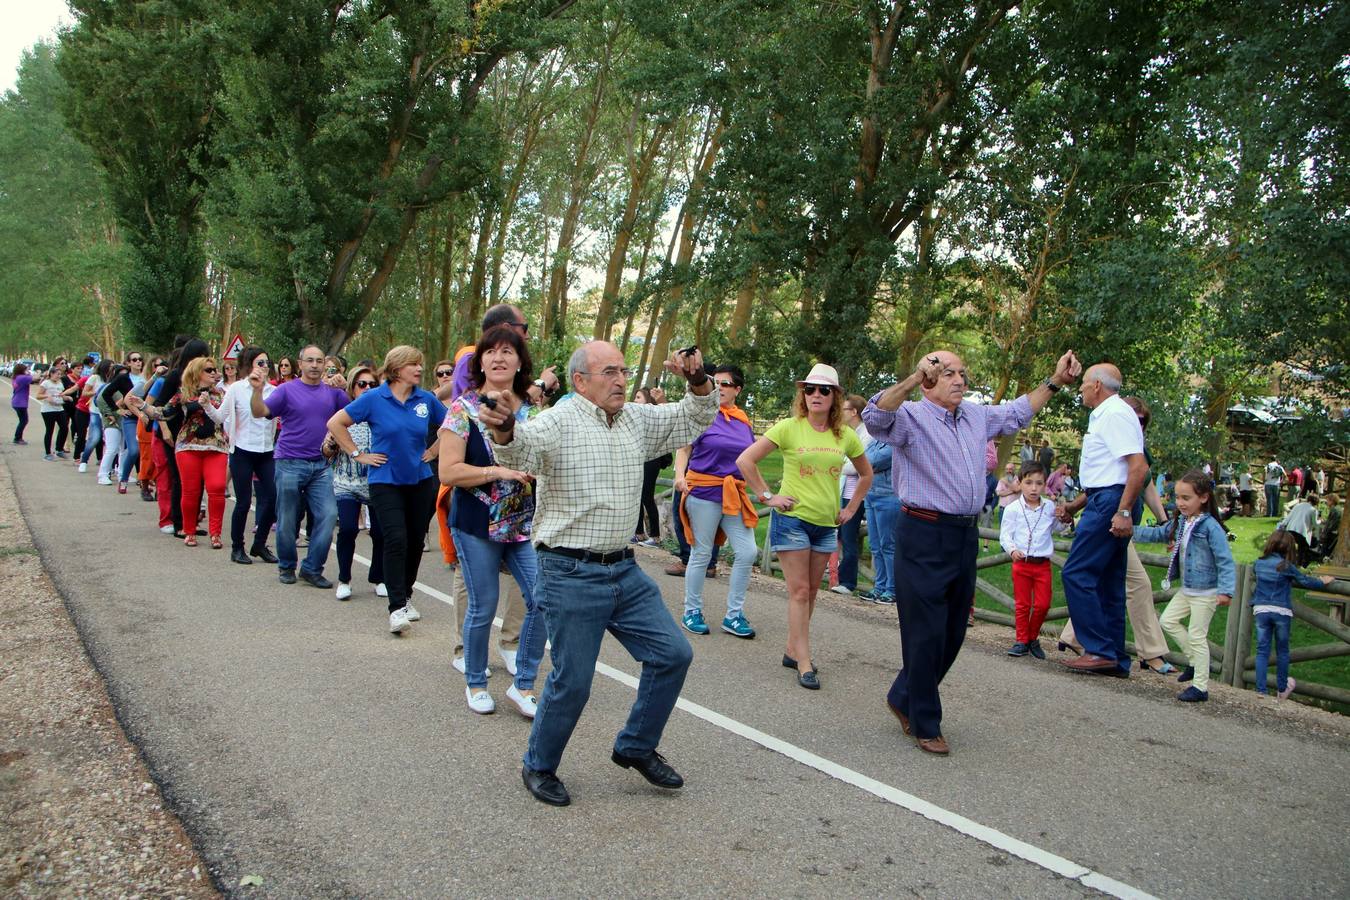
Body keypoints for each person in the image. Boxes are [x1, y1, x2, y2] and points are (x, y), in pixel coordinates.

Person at [478, 341, 715, 807]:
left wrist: (697, 379)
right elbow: (519, 451)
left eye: (624, 371)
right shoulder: (557, 422)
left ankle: (635, 747)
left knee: (672, 655)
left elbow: (695, 416)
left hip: (623, 569)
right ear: (580, 381)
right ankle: (539, 765)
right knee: (574, 681)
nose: (622, 380)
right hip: (567, 571)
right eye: (610, 372)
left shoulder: (636, 420)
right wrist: (505, 430)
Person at [863, 349, 1080, 755]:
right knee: (924, 632)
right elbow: (874, 417)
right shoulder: (910, 415)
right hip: (922, 532)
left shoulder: (977, 415)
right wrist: (913, 379)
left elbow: (1017, 413)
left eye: (962, 373)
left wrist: (1054, 382)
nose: (959, 380)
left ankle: (903, 694)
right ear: (930, 379)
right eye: (948, 373)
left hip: (962, 535)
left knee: (953, 632)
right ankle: (925, 721)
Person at [737, 365, 871, 690]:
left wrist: (851, 509)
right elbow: (745, 461)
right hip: (793, 520)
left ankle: (791, 649)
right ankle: (804, 661)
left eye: (823, 390)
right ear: (803, 395)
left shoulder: (845, 435)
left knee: (811, 592)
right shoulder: (788, 428)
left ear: (835, 396)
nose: (815, 395)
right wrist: (768, 496)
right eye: (810, 389)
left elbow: (866, 475)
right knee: (798, 592)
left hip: (826, 524)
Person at [438, 326, 545, 716]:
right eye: (491, 351)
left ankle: (524, 684)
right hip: (476, 524)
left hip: (524, 525)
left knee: (543, 600)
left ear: (520, 362)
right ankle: (476, 682)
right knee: (483, 606)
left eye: (508, 351)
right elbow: (448, 472)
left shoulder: (535, 415)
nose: (499, 357)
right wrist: (497, 472)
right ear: (480, 361)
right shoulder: (461, 409)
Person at [328, 345, 446, 634]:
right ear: (396, 369)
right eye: (413, 365)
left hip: (420, 480)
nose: (419, 369)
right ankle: (395, 608)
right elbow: (336, 423)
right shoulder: (373, 398)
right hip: (384, 481)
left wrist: (433, 450)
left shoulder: (426, 400)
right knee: (396, 538)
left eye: (420, 364)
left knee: (416, 540)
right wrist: (358, 454)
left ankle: (405, 596)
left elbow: (454, 424)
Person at [1057, 396, 1174, 675]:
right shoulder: (1119, 436)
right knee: (1109, 580)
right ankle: (1112, 655)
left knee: (1081, 573)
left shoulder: (1136, 449)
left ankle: (1099, 649)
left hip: (1115, 512)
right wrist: (1074, 505)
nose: (1138, 424)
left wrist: (1160, 520)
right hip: (1115, 510)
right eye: (1135, 418)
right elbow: (1105, 480)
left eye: (1143, 421)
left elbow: (1140, 481)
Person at [250, 345, 349, 587]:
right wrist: (257, 390)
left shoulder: (334, 393)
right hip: (289, 462)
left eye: (319, 361)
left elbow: (355, 413)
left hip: (322, 464)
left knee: (328, 515)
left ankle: (312, 568)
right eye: (310, 361)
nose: (315, 365)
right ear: (301, 363)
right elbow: (261, 412)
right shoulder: (286, 390)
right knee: (287, 517)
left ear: (325, 364)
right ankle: (286, 566)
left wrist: (345, 387)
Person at [1133, 470, 1236, 702]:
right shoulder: (1183, 522)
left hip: (1206, 592)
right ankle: (1194, 660)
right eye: (1177, 498)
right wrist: (1131, 531)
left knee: (1197, 635)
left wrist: (1226, 590)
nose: (1180, 503)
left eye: (1186, 498)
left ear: (1203, 498)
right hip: (1188, 589)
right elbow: (1161, 533)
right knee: (1167, 621)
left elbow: (1225, 560)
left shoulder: (1210, 527)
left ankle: (1200, 686)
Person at [673, 364, 758, 637]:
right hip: (704, 492)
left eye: (725, 384)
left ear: (737, 390)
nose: (719, 388)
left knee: (747, 552)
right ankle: (691, 611)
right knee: (702, 553)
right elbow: (683, 448)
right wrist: (679, 476)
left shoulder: (743, 420)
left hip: (734, 493)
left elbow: (750, 456)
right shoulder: (702, 414)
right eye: (715, 383)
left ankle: (733, 615)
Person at [324, 365, 384, 600]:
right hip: (346, 482)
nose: (367, 388)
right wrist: (331, 446)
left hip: (376, 483)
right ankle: (344, 580)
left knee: (380, 532)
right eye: (362, 384)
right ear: (352, 388)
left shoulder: (382, 415)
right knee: (348, 529)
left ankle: (379, 578)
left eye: (372, 384)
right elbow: (325, 450)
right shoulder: (344, 415)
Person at [1251, 531, 1334, 700]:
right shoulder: (1286, 566)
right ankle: (1282, 688)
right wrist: (1322, 581)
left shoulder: (1258, 563)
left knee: (1262, 651)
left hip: (1261, 609)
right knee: (1282, 651)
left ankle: (1261, 690)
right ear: (1289, 548)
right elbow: (1305, 581)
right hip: (1281, 611)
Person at [220, 347, 280, 566]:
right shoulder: (236, 389)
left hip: (265, 451)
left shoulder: (273, 392)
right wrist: (207, 406)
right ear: (249, 365)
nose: (264, 367)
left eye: (267, 363)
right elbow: (221, 417)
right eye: (260, 363)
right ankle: (237, 548)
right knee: (243, 502)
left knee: (273, 498)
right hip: (242, 451)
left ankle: (260, 544)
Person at [999, 462, 1065, 658]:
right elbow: (1005, 535)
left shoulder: (1049, 507)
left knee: (1043, 604)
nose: (1034, 488)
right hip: (1022, 564)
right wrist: (1012, 550)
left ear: (1045, 485)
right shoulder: (1013, 509)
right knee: (1023, 604)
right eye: (1028, 483)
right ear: (1020, 483)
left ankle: (1031, 637)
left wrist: (1064, 518)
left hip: (1042, 564)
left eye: (1039, 483)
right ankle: (1021, 641)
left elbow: (1058, 529)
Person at [829, 394, 871, 596]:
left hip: (856, 495)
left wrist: (836, 465)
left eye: (844, 409)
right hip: (845, 491)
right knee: (843, 536)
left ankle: (848, 581)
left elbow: (856, 467)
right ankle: (837, 576)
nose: (841, 413)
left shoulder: (865, 435)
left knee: (848, 537)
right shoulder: (851, 433)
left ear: (854, 412)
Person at [861, 430, 899, 604]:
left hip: (888, 496)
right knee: (875, 545)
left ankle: (892, 589)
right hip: (871, 494)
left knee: (888, 545)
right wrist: (868, 464)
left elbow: (870, 460)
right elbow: (861, 460)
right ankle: (879, 586)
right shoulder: (876, 440)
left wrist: (868, 464)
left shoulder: (895, 441)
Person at [635, 387, 672, 549]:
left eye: (638, 397)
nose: (635, 401)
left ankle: (656, 537)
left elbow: (668, 416)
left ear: (647, 401)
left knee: (646, 496)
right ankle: (639, 533)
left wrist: (661, 400)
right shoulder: (637, 416)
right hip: (640, 457)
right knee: (636, 495)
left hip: (653, 459)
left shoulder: (655, 415)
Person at [38, 361, 70, 460]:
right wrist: (47, 396)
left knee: (64, 428)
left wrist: (66, 397)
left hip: (59, 408)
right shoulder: (46, 383)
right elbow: (38, 395)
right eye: (57, 374)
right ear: (51, 374)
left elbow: (61, 394)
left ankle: (59, 449)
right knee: (50, 430)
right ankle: (47, 453)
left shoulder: (60, 384)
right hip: (48, 410)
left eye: (60, 374)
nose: (59, 376)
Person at [1279, 493, 1319, 566]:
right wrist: (1320, 521)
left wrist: (1283, 524)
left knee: (1289, 547)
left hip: (1291, 529)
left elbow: (1289, 516)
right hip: (1302, 532)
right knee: (1303, 549)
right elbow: (1315, 523)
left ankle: (1285, 561)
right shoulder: (1313, 510)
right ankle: (1299, 564)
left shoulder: (1298, 505)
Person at [10, 362, 33, 444]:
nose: (27, 371)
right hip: (20, 402)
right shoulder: (22, 378)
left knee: (22, 420)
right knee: (24, 421)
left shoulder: (16, 377)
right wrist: (36, 373)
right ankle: (17, 438)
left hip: (17, 401)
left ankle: (18, 437)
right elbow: (34, 378)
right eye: (26, 369)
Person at [1316, 493, 1341, 562]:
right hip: (1335, 533)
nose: (1326, 502)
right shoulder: (1337, 509)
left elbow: (1330, 525)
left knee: (1325, 551)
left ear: (1332, 501)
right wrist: (1325, 521)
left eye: (1327, 500)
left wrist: (1324, 534)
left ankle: (1322, 563)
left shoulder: (1334, 510)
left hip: (1331, 534)